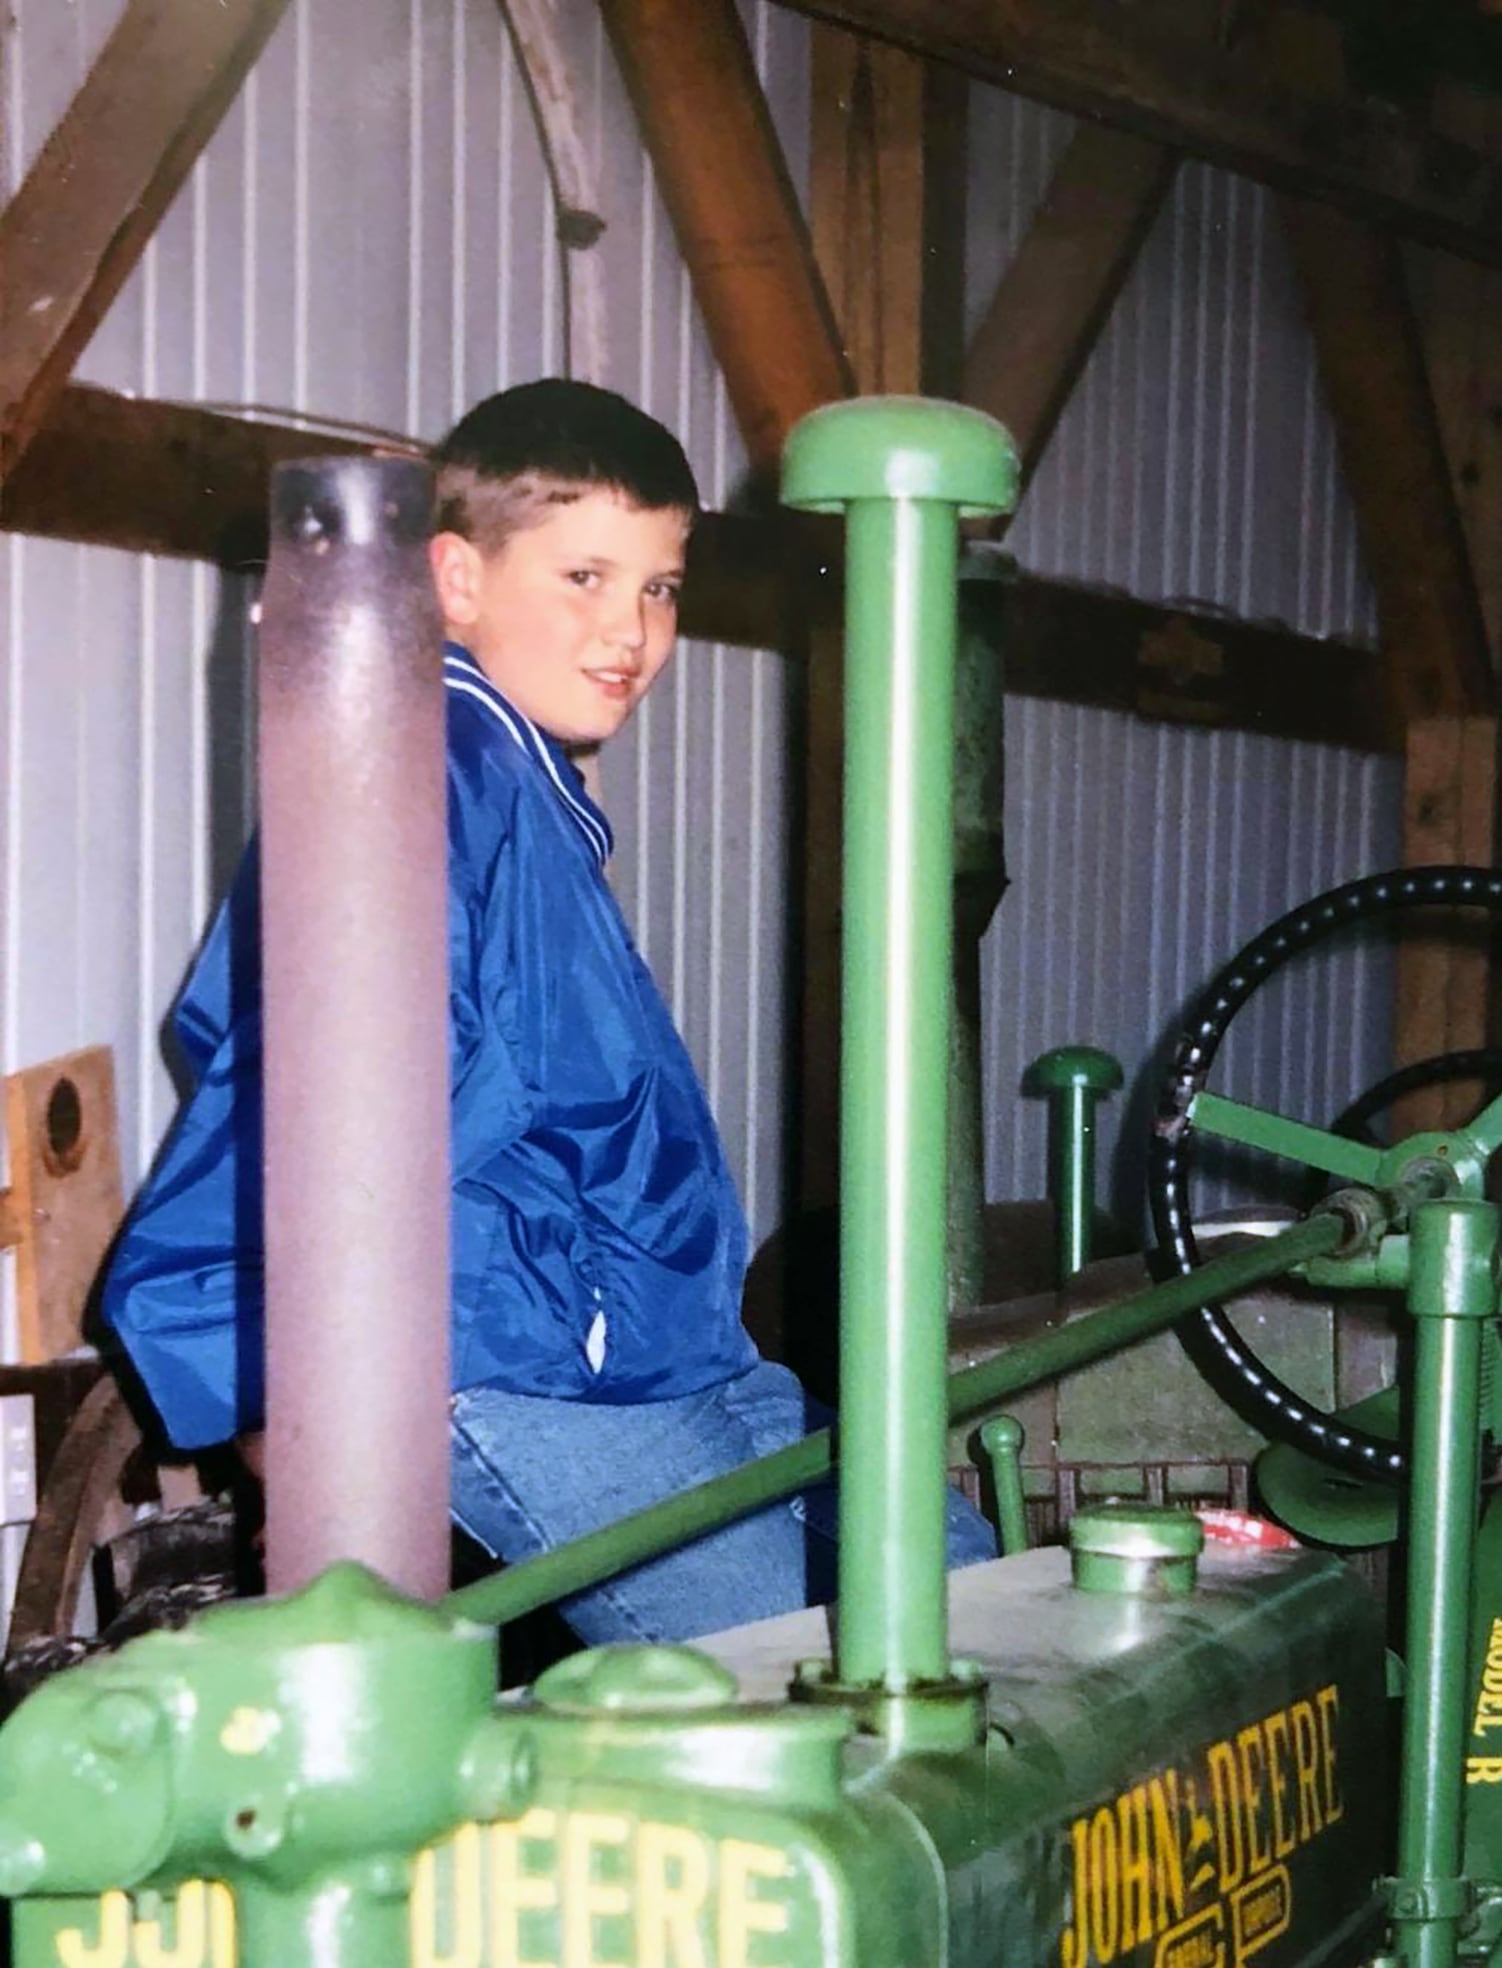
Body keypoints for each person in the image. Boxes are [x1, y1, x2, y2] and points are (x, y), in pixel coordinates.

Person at [101, 379, 994, 1643]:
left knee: (974, 1597)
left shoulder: (514, 786)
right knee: (807, 1676)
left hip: (659, 1354)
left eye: (660, 586)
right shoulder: (428, 767)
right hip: (519, 1364)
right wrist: (288, 1389)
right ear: (454, 579)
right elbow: (313, 1095)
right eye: (584, 577)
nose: (630, 628)